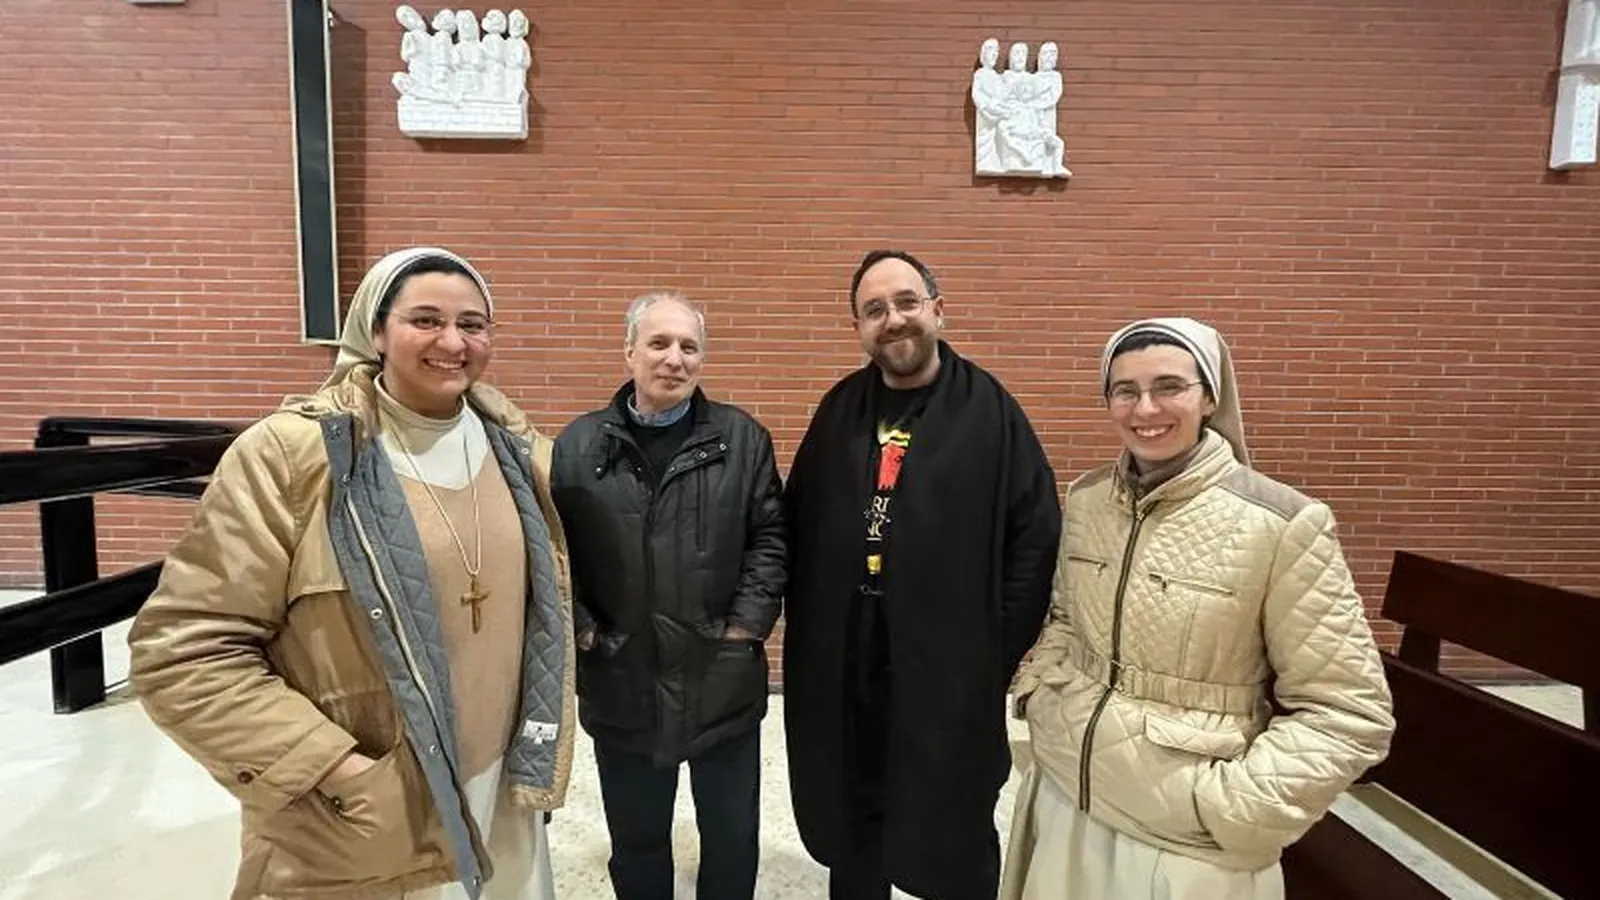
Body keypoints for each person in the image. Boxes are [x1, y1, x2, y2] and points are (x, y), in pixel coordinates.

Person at [127, 247, 575, 900]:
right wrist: (339, 771)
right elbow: (183, 653)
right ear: (375, 330)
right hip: (380, 805)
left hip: (503, 785)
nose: (453, 342)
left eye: (472, 325)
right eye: (426, 320)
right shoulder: (292, 457)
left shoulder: (518, 450)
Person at [1001, 317, 1396, 900]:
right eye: (1126, 391)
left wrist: (1233, 809)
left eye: (1169, 387)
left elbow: (1349, 710)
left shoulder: (1282, 524)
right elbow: (1065, 619)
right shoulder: (1087, 499)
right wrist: (1040, 695)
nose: (1145, 408)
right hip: (1065, 797)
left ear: (1210, 396)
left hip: (1185, 836)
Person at [782, 250, 1062, 899]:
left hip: (949, 665)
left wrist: (992, 648)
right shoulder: (840, 409)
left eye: (907, 302)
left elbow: (1035, 539)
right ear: (858, 326)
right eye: (874, 309)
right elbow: (797, 522)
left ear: (938, 309)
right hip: (849, 658)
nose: (894, 319)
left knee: (951, 816)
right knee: (854, 808)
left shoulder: (989, 412)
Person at [550, 291, 785, 900]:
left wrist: (745, 627)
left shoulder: (742, 439)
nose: (674, 359)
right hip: (622, 679)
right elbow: (556, 556)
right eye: (659, 343)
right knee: (638, 841)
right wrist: (584, 630)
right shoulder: (577, 448)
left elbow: (770, 539)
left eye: (689, 346)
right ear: (629, 350)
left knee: (731, 838)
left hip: (721, 677)